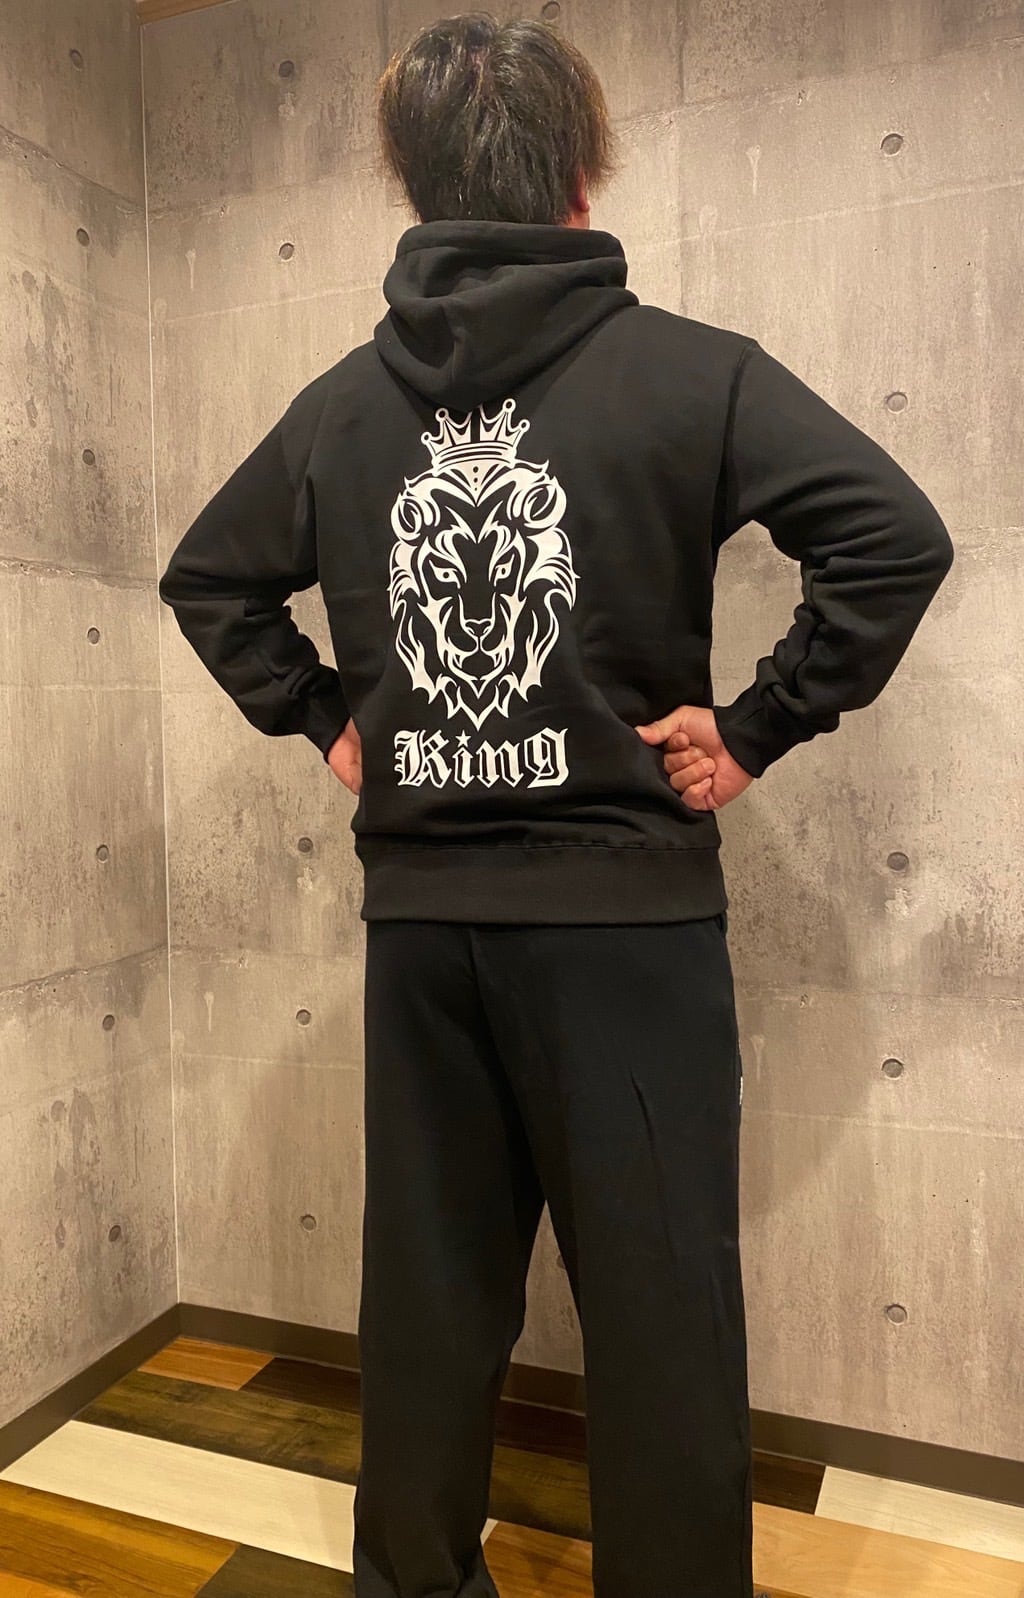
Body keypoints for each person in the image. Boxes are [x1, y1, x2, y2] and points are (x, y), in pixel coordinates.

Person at [157, 13, 954, 1597]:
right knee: (662, 1322)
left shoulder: (342, 409)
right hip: (626, 939)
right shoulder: (694, 374)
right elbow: (894, 535)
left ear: (416, 186)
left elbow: (210, 579)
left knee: (428, 1306)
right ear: (581, 174)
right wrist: (755, 727)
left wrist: (328, 717)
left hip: (425, 935)